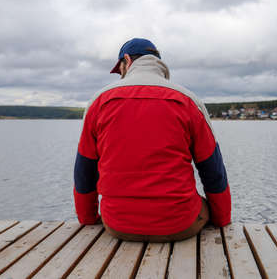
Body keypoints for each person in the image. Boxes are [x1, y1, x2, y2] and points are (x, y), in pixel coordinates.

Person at [73, 38, 231, 242]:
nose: (121, 74)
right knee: (203, 206)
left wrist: (87, 218)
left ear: (127, 61)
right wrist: (222, 220)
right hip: (180, 225)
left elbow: (84, 170)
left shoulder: (99, 101)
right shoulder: (188, 100)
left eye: (120, 68)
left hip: (118, 225)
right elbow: (212, 169)